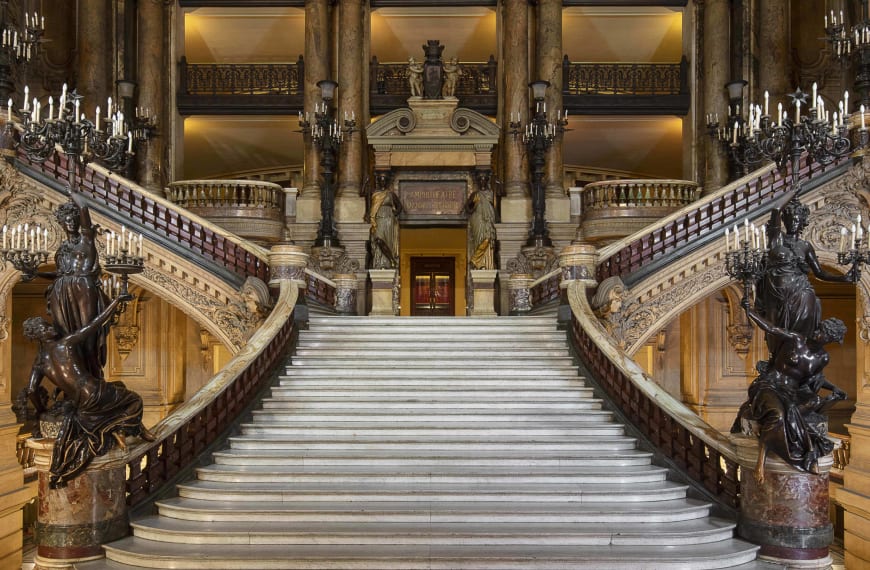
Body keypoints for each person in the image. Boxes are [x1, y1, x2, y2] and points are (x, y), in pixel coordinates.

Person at [24, 294, 154, 488]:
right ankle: (121, 428)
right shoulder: (65, 344)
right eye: (45, 328)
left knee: (119, 386)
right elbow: (94, 325)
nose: (51, 328)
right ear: (38, 336)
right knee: (135, 400)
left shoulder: (40, 362)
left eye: (48, 324)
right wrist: (116, 302)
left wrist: (41, 409)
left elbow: (31, 390)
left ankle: (120, 427)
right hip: (95, 393)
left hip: (81, 402)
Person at [733, 298, 847, 484]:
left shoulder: (822, 358)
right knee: (777, 415)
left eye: (823, 334)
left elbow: (816, 380)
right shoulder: (797, 340)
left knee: (813, 404)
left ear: (830, 340)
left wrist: (835, 389)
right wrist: (750, 311)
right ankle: (761, 461)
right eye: (819, 329)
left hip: (792, 392)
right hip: (769, 385)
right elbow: (771, 329)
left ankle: (808, 454)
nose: (817, 333)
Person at [756, 189, 855, 360]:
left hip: (802, 293)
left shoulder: (805, 246)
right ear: (784, 221)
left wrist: (842, 278)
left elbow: (819, 273)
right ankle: (779, 365)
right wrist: (793, 190)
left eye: (797, 219)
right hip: (777, 293)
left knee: (800, 333)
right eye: (790, 219)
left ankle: (800, 362)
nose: (793, 222)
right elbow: (775, 210)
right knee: (776, 332)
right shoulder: (776, 238)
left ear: (802, 222)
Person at [30, 193, 109, 381]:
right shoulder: (62, 248)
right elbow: (59, 274)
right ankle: (72, 386)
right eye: (67, 221)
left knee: (88, 336)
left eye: (74, 220)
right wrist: (35, 273)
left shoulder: (86, 240)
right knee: (65, 335)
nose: (71, 223)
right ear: (62, 224)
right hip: (61, 290)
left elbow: (85, 216)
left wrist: (75, 194)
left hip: (83, 287)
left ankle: (94, 379)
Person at [368, 178, 402, 270]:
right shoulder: (375, 193)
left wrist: (393, 213)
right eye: (381, 180)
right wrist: (365, 184)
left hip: (389, 219)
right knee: (378, 239)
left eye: (384, 180)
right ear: (378, 182)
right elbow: (364, 196)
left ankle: (388, 262)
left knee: (388, 241)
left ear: (387, 182)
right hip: (378, 218)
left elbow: (399, 206)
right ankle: (391, 260)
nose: (383, 182)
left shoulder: (391, 194)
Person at [464, 173, 497, 270]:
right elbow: (467, 206)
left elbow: (495, 208)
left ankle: (475, 260)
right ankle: (477, 261)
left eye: (484, 180)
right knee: (479, 240)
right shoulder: (476, 194)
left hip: (488, 220)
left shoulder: (491, 193)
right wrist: (472, 210)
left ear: (486, 181)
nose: (482, 182)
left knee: (488, 238)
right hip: (478, 219)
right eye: (481, 180)